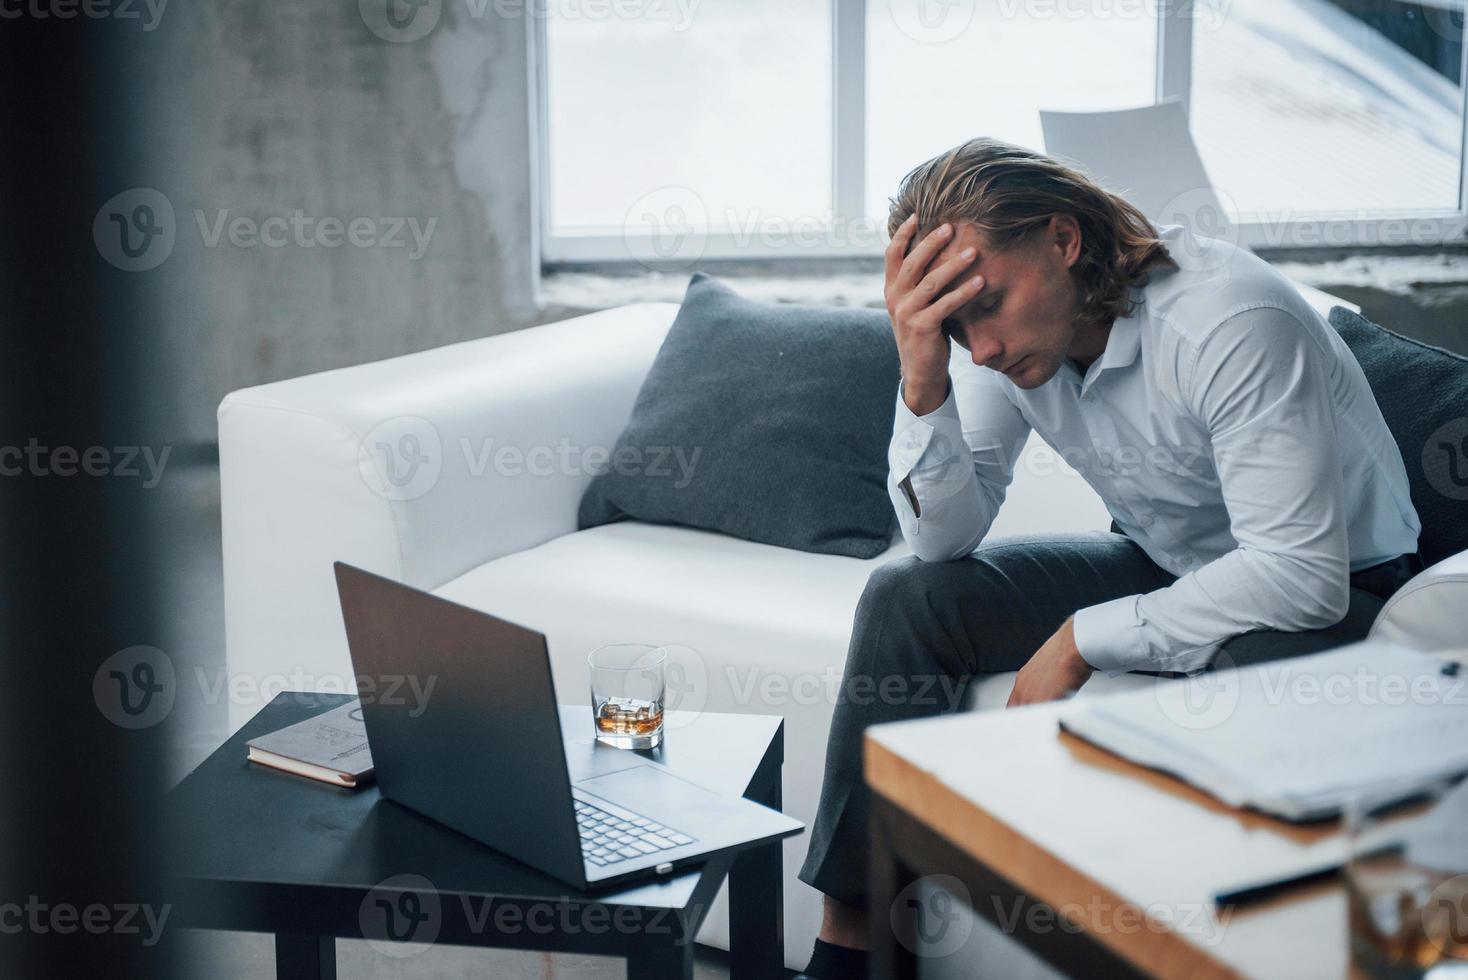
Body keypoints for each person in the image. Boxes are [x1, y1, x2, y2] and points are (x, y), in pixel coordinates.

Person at [792, 138, 1422, 980]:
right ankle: (852, 948)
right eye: (954, 324)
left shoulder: (1228, 321)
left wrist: (1081, 639)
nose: (979, 348)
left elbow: (1297, 576)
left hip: (1344, 584)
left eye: (987, 304)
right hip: (1167, 562)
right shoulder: (994, 347)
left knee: (1259, 669)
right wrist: (921, 378)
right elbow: (943, 539)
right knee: (910, 595)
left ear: (1063, 240)